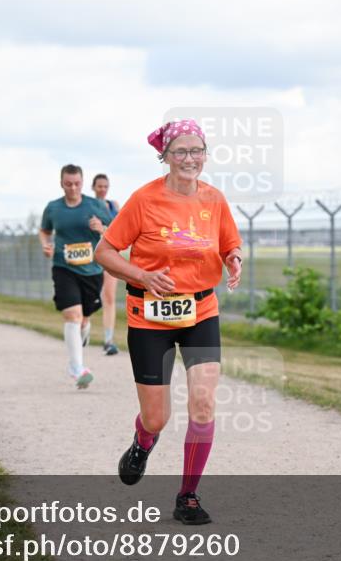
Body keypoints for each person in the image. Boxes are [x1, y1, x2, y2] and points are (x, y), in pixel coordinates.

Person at [94, 119, 242, 525]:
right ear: (165, 156)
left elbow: (229, 242)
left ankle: (187, 496)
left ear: (205, 155)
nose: (190, 158)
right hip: (150, 315)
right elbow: (104, 252)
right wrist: (141, 276)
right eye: (180, 151)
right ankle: (143, 441)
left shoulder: (214, 199)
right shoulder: (144, 200)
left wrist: (234, 258)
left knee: (204, 403)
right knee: (157, 417)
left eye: (197, 150)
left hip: (200, 311)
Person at [39, 164, 115, 389]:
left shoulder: (95, 205)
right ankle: (77, 369)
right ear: (61, 184)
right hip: (63, 267)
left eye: (76, 184)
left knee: (83, 319)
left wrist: (101, 228)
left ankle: (82, 336)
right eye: (68, 184)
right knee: (72, 315)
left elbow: (116, 231)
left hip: (92, 271)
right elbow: (44, 231)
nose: (72, 188)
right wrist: (46, 245)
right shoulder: (53, 208)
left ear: (83, 183)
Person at [93, 174, 122, 356]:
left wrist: (104, 230)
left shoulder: (114, 206)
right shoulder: (88, 205)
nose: (103, 189)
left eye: (105, 186)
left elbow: (121, 228)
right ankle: (82, 328)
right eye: (99, 186)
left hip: (110, 256)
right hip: (91, 256)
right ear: (93, 187)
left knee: (109, 297)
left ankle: (108, 340)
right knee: (89, 297)